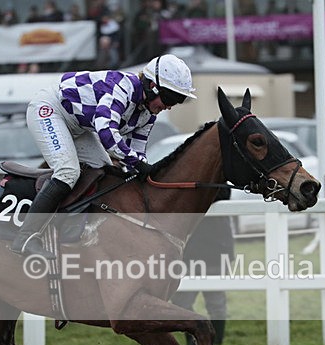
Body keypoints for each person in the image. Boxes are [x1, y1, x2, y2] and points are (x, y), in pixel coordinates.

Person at [11, 54, 196, 257]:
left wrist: (143, 168)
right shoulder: (122, 88)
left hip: (78, 126)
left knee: (103, 171)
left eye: (178, 101)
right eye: (170, 98)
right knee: (67, 172)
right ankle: (25, 237)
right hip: (50, 109)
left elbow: (137, 150)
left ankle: (74, 228)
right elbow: (106, 132)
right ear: (152, 85)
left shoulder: (148, 113)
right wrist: (135, 162)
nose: (169, 106)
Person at [171, 188, 235, 345]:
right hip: (190, 252)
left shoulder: (219, 182)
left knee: (215, 301)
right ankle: (193, 341)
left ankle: (217, 342)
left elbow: (221, 194)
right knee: (181, 301)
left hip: (215, 249)